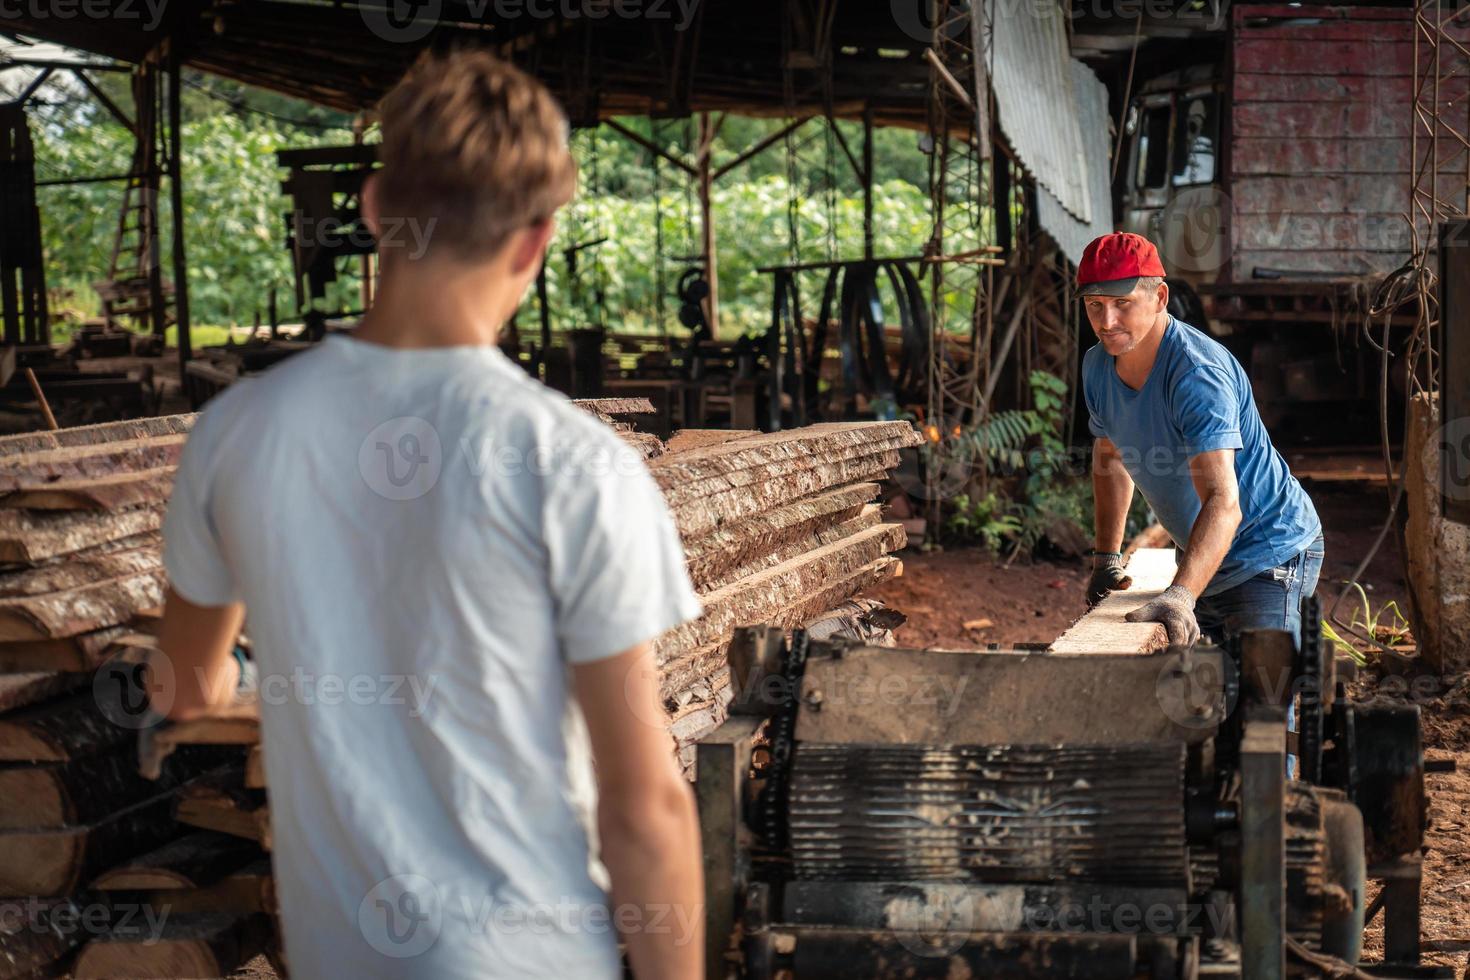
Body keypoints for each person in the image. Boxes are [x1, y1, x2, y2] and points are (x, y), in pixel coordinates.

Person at [155, 50, 705, 979]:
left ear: (373, 208)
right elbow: (642, 806)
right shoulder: (573, 464)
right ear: (534, 240)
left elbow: (181, 690)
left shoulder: (237, 433)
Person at [1081, 231, 1323, 660]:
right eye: (1094, 305)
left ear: (1160, 297)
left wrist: (1179, 596)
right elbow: (1111, 457)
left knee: (1260, 708)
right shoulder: (1097, 366)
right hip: (1202, 555)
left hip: (1269, 552)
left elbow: (1224, 501)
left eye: (1123, 304)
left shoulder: (1196, 374)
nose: (1107, 321)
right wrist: (1105, 558)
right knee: (1199, 699)